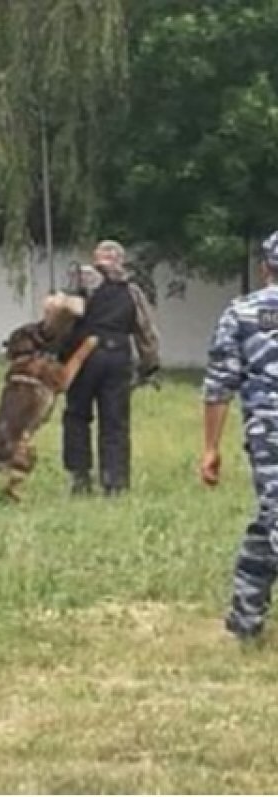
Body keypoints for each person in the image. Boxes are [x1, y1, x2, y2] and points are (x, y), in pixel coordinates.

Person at [202, 232, 278, 640]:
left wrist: (211, 448)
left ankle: (246, 618)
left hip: (268, 432)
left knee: (272, 520)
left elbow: (219, 385)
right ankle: (246, 620)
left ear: (265, 268)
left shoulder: (242, 312)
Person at [60, 240, 161, 495]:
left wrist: (57, 355)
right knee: (115, 422)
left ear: (96, 259)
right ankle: (114, 482)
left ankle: (80, 478)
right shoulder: (131, 291)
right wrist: (149, 364)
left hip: (82, 356)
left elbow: (62, 321)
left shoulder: (79, 285)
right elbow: (145, 330)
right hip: (118, 357)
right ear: (120, 261)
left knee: (76, 416)